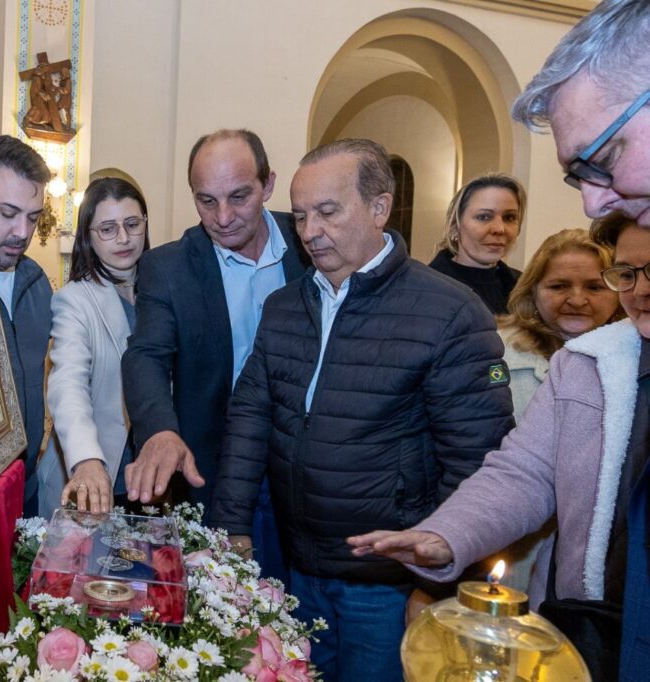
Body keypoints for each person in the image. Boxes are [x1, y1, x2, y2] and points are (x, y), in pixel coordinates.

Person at [208, 139, 514, 682]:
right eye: (300, 216)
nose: (308, 231)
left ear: (379, 208)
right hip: (297, 568)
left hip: (387, 584)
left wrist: (435, 577)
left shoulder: (447, 311)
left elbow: (477, 460)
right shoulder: (285, 307)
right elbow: (250, 418)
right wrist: (232, 526)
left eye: (327, 212)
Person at [348, 214, 647, 678]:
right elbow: (523, 472)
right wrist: (446, 535)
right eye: (628, 274)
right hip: (595, 622)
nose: (640, 290)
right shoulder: (587, 364)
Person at [511, 2, 650, 676]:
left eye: (605, 158)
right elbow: (524, 474)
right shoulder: (598, 359)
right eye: (578, 175)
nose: (593, 203)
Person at [120, 129, 309, 581]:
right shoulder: (167, 268)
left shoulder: (309, 243)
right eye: (206, 201)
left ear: (268, 185)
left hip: (301, 470)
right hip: (214, 469)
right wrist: (160, 431)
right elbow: (145, 355)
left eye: (239, 196)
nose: (223, 217)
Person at [40, 178, 150, 516]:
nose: (123, 237)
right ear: (88, 236)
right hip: (94, 473)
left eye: (132, 224)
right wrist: (86, 457)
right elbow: (67, 381)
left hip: (148, 477)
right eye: (107, 228)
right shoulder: (74, 300)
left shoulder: (163, 289)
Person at [0, 135, 52, 517]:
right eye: (7, 213)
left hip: (26, 487)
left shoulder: (37, 283)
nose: (22, 231)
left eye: (33, 217)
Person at [500, 226, 622, 420]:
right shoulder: (494, 352)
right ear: (532, 291)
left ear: (620, 294)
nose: (577, 300)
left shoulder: (635, 354)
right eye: (559, 286)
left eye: (594, 287)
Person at [428, 173, 526, 315]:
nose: (499, 229)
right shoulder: (427, 287)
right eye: (484, 217)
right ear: (455, 226)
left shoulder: (524, 287)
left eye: (509, 217)